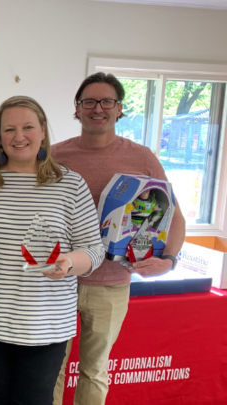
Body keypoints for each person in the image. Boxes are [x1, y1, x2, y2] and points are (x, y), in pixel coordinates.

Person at [0, 96, 105, 405]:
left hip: (46, 326)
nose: (18, 136)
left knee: (34, 400)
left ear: (43, 131)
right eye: (9, 129)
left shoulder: (70, 184)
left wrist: (69, 263)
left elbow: (94, 249)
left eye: (27, 127)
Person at [51, 73, 186, 405]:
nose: (98, 108)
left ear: (120, 108)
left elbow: (174, 215)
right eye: (89, 102)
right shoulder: (53, 156)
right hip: (59, 283)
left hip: (111, 283)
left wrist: (168, 260)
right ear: (77, 109)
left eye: (106, 101)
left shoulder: (142, 158)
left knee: (94, 372)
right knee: (49, 370)